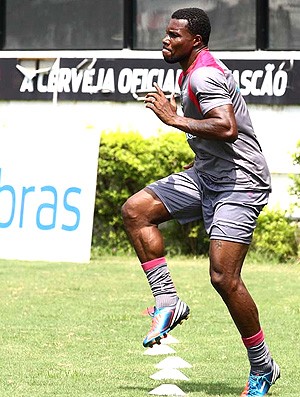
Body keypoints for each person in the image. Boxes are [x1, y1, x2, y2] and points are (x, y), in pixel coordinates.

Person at [121, 7, 280, 397]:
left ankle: (263, 367)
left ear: (196, 41)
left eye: (175, 35)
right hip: (206, 176)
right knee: (136, 211)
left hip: (239, 184)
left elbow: (225, 127)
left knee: (223, 277)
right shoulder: (193, 69)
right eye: (166, 33)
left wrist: (174, 119)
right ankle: (168, 302)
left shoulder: (205, 74)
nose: (166, 39)